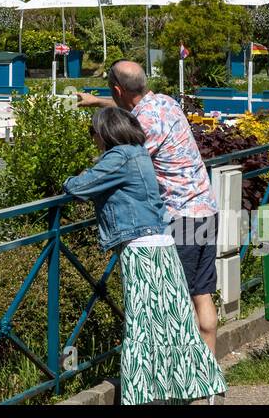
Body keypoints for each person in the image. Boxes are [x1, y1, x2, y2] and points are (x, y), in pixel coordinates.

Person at [65, 107, 225, 404]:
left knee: (141, 325)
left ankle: (141, 395)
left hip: (142, 251)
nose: (93, 140)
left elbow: (79, 187)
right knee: (172, 324)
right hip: (162, 244)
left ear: (104, 133)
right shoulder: (140, 152)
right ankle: (196, 386)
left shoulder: (119, 157)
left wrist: (70, 180)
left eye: (93, 133)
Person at [78, 60, 220, 353]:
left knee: (179, 302)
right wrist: (95, 101)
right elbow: (130, 103)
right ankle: (210, 377)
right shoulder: (165, 102)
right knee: (202, 295)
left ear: (117, 89)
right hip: (206, 209)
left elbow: (122, 164)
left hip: (179, 217)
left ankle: (188, 378)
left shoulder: (142, 125)